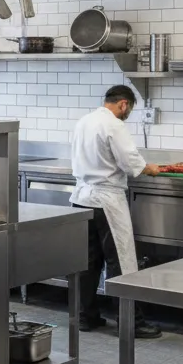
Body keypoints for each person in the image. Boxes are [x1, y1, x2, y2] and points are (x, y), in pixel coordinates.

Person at [70, 85, 163, 339]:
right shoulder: (113, 125)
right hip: (106, 201)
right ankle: (130, 322)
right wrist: (150, 168)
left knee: (86, 263)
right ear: (123, 104)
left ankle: (85, 316)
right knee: (121, 261)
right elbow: (130, 161)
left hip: (81, 198)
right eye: (128, 110)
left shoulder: (84, 121)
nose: (127, 115)